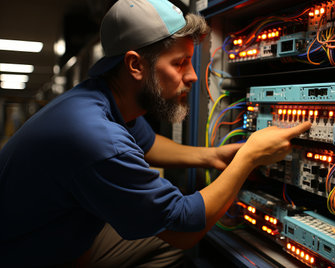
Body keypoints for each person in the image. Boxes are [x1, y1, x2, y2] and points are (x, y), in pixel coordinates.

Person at [0, 0, 311, 267]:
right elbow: (183, 229)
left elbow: (147, 143)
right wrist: (249, 157)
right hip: (24, 255)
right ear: (135, 65)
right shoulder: (96, 137)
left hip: (51, 232)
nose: (191, 76)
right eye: (180, 63)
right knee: (173, 242)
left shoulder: (100, 98)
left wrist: (211, 155)